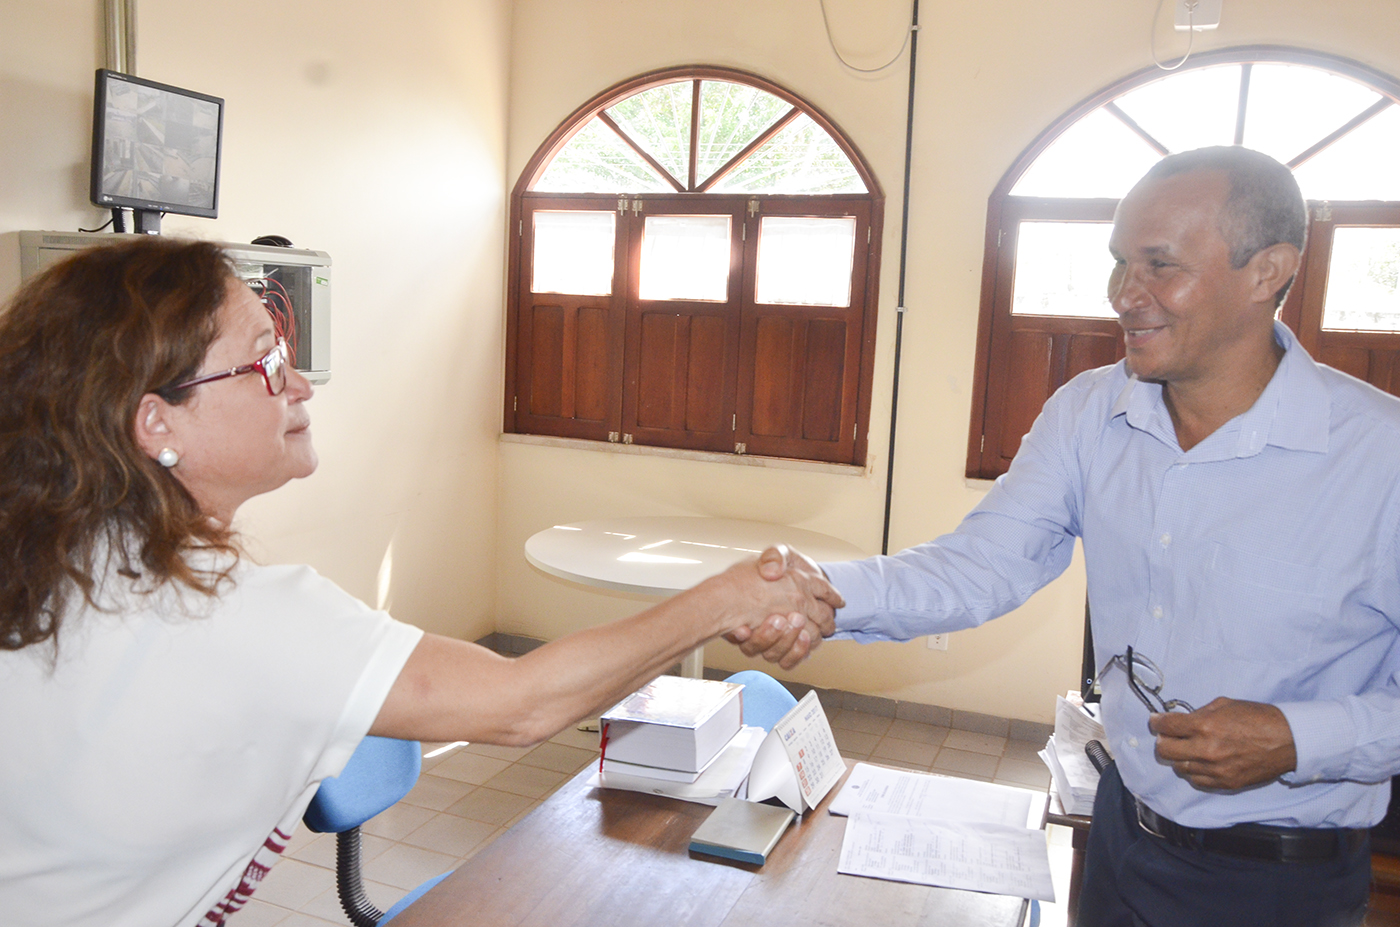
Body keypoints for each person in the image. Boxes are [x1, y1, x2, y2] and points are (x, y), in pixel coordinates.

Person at [0, 236, 842, 927]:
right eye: (264, 363)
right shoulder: (229, 615)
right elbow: (521, 703)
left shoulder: (53, 564)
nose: (300, 383)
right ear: (156, 422)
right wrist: (729, 596)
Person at [731, 146, 1400, 926]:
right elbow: (980, 565)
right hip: (1121, 835)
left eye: (1160, 264)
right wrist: (816, 592)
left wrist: (1299, 737)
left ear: (1267, 272)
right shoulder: (1089, 412)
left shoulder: (1378, 457)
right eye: (1119, 262)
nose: (1124, 294)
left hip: (1281, 882)